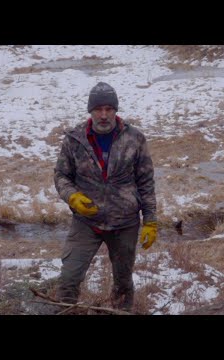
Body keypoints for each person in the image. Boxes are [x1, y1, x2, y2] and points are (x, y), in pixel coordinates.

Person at [54, 82, 157, 311]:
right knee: (69, 280)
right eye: (98, 109)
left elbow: (146, 182)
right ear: (90, 111)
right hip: (86, 222)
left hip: (125, 222)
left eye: (109, 109)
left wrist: (150, 221)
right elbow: (61, 175)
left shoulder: (134, 138)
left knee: (123, 284)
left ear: (115, 110)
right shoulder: (74, 139)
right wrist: (72, 197)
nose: (103, 115)